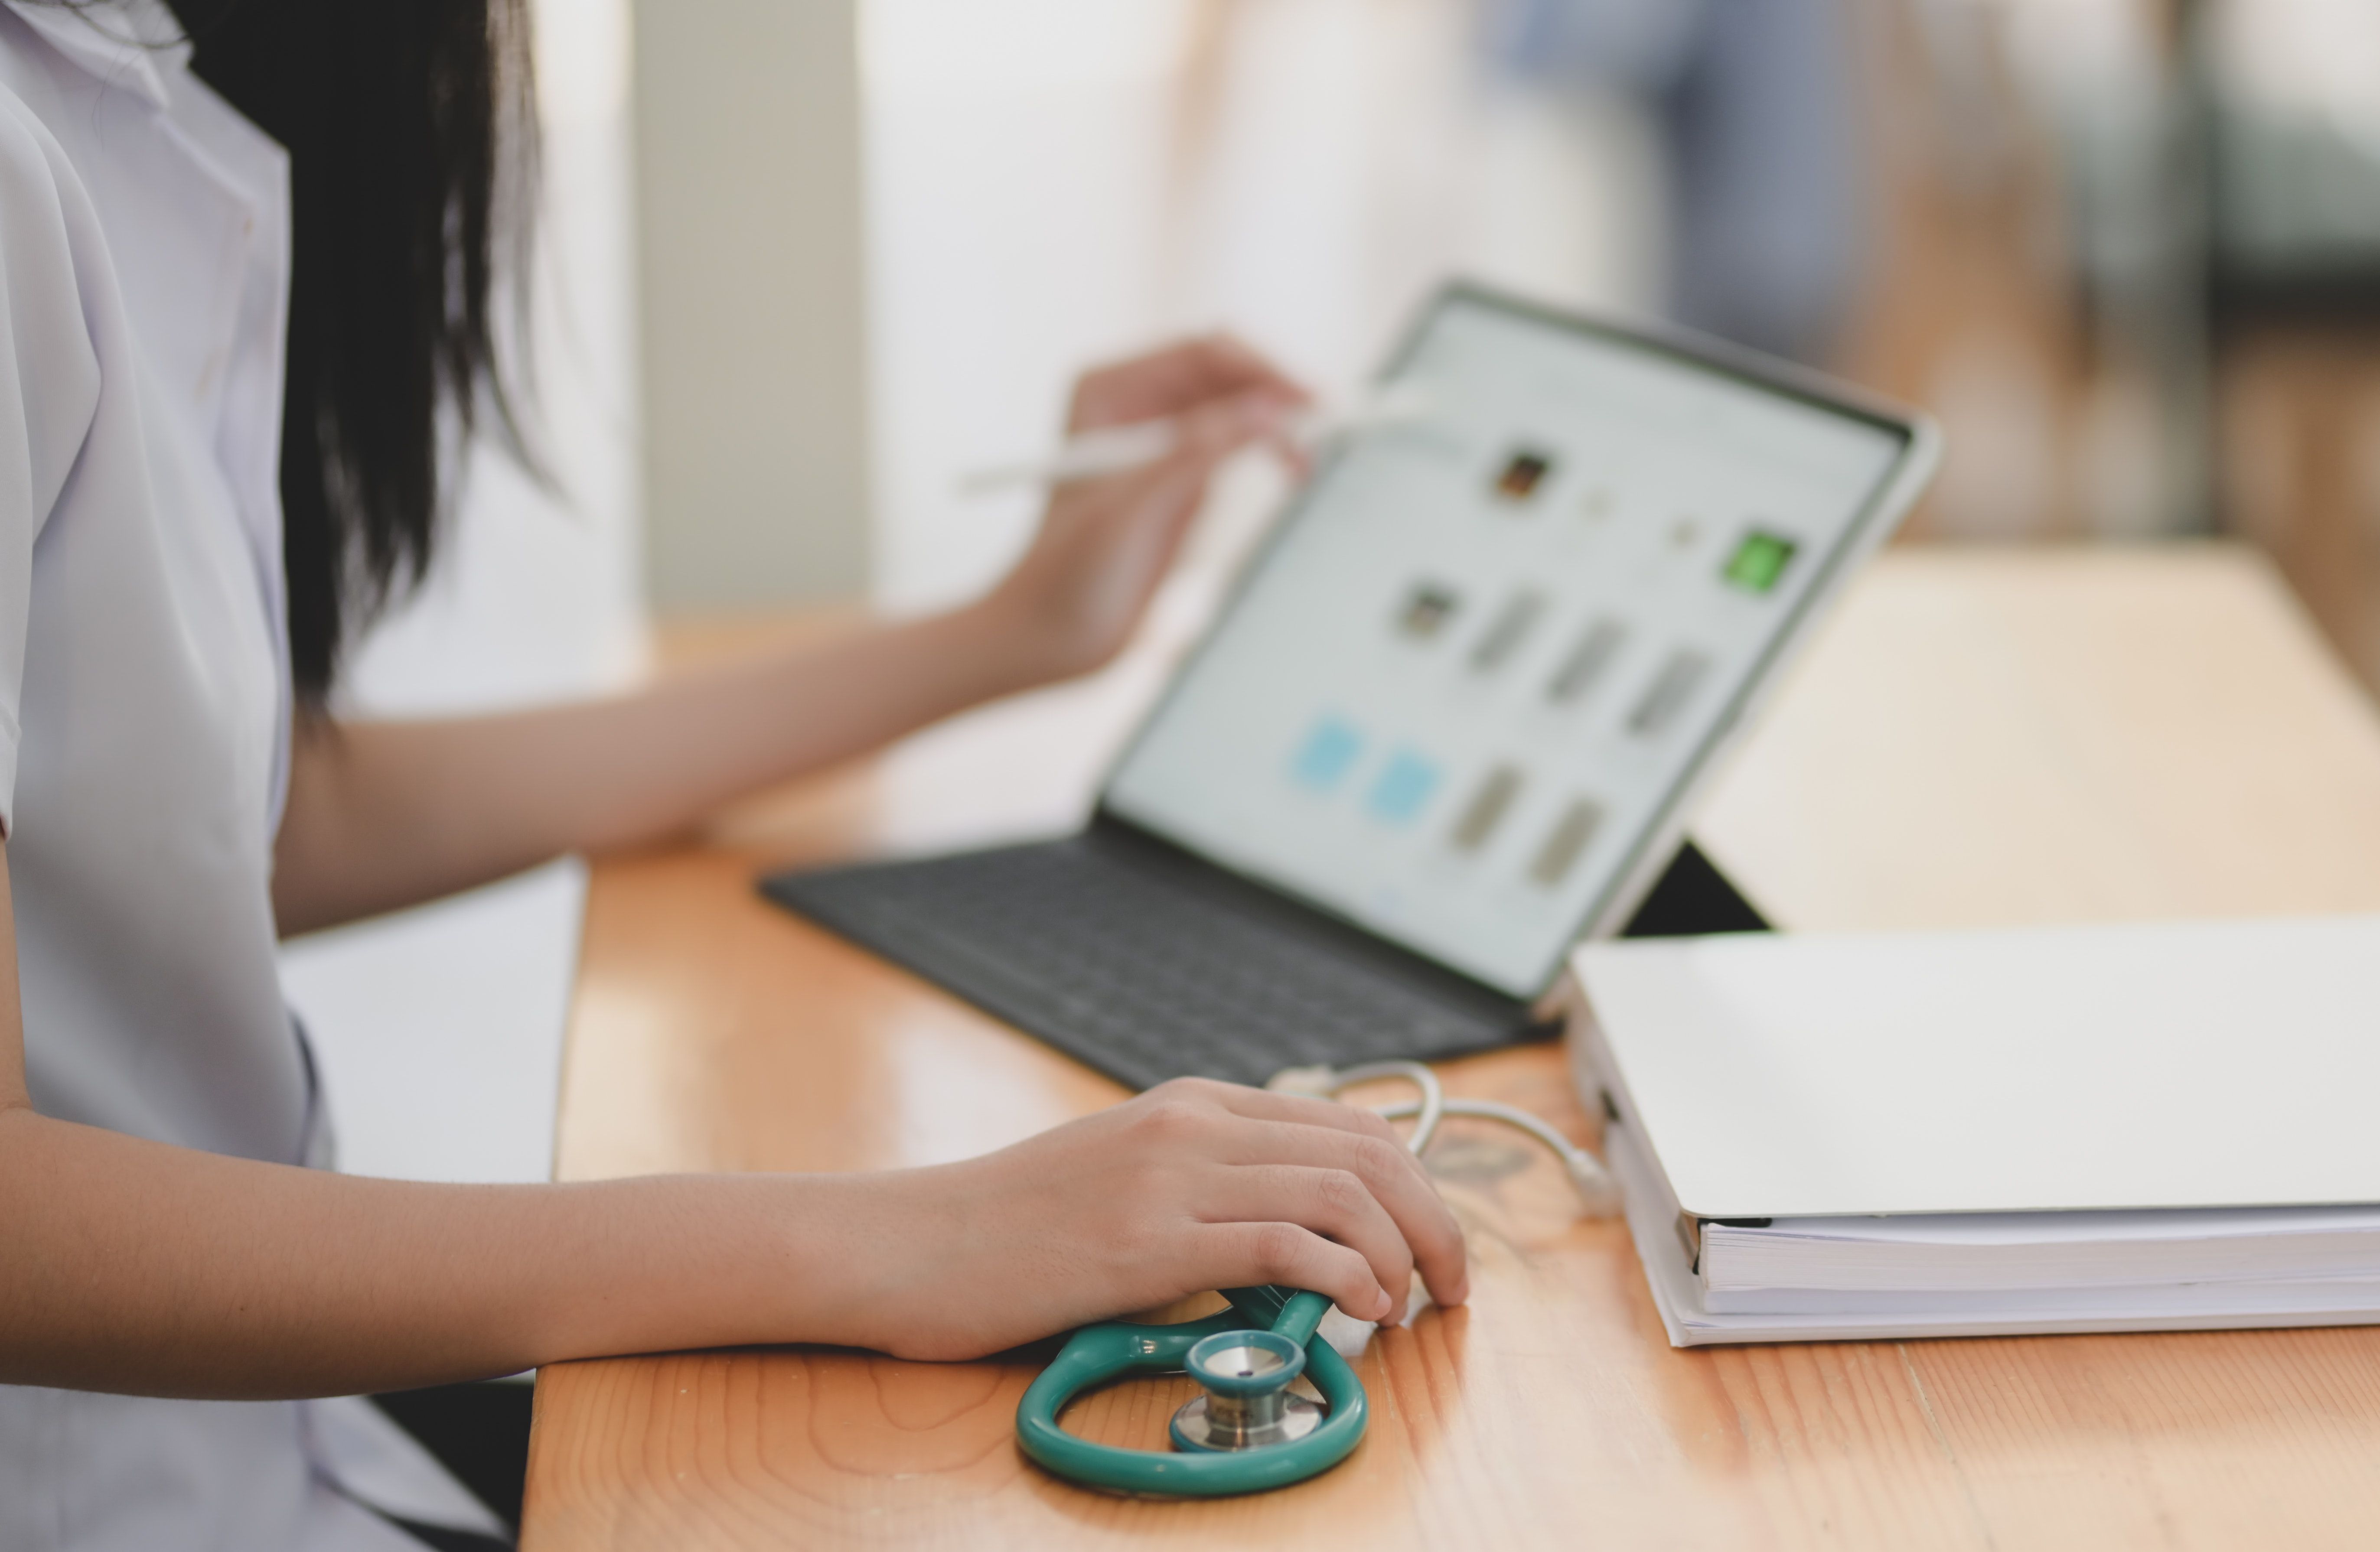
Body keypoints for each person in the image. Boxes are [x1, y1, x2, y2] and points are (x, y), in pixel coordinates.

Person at [0, 1, 1472, 1546]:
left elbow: (252, 823)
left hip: (269, 1461)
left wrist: (1010, 633)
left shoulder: (116, 98)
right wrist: (912, 1237)